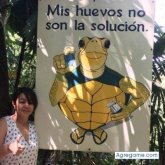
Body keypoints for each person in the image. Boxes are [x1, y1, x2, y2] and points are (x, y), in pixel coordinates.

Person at [0, 87, 38, 165]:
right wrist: (9, 148)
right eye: (22, 101)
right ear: (14, 104)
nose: (27, 105)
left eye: (30, 102)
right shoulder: (5, 123)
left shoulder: (34, 127)